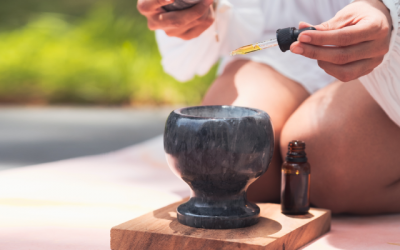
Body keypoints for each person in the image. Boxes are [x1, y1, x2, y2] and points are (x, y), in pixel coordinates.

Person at [137, 0, 400, 214]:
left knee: (329, 166)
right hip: (273, 34)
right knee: (226, 158)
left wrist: (385, 9)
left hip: (386, 44)